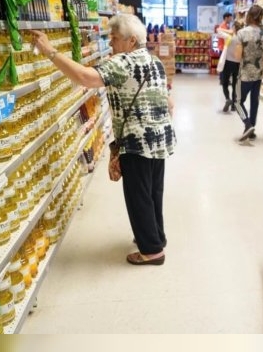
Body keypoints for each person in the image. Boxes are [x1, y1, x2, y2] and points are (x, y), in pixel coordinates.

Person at [29, 14, 176, 266]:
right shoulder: (155, 62)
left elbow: (84, 78)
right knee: (153, 192)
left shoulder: (122, 63)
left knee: (138, 196)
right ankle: (156, 237)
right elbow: (168, 102)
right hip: (160, 138)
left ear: (131, 41)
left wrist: (50, 51)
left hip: (136, 141)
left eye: (115, 38)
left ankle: (152, 251)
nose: (111, 44)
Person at [233, 5, 263, 142]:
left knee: (237, 102)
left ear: (249, 15)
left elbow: (238, 57)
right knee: (254, 101)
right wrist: (262, 68)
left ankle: (248, 124)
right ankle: (252, 130)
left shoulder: (242, 33)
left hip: (244, 74)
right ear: (261, 17)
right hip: (259, 73)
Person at [218, 21, 244, 112]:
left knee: (225, 83)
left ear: (233, 29)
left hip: (228, 63)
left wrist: (228, 31)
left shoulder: (229, 36)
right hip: (237, 64)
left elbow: (218, 30)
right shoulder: (241, 39)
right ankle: (233, 105)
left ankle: (227, 98)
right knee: (235, 85)